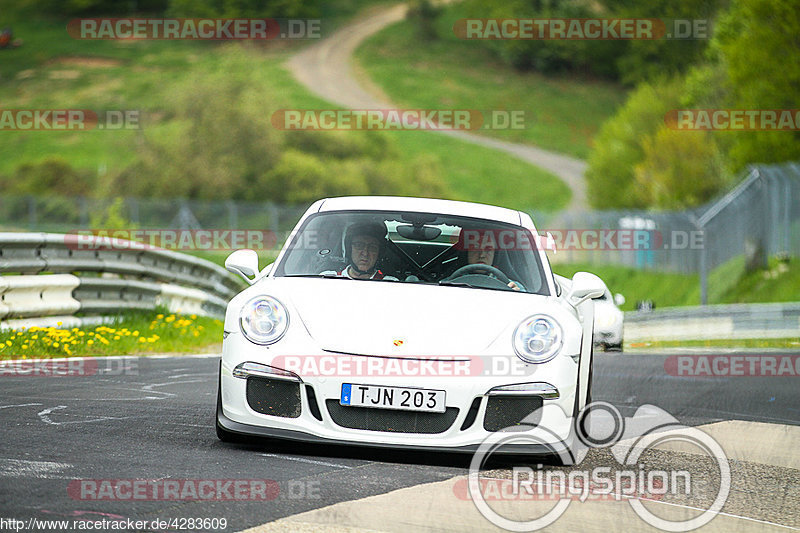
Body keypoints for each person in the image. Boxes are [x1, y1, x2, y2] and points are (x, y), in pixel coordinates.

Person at [321, 222, 398, 280]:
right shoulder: (327, 278)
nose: (365, 253)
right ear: (349, 249)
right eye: (359, 246)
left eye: (372, 247)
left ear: (379, 253)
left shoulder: (390, 283)